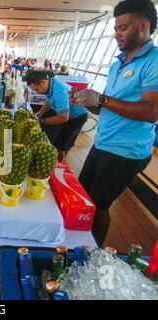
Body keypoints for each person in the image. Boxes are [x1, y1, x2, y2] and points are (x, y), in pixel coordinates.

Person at [70, 0, 158, 247]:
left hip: (125, 151)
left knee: (98, 205)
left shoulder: (154, 60)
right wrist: (86, 101)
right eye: (116, 28)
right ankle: (78, 247)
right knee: (85, 200)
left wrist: (101, 98)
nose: (116, 33)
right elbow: (106, 106)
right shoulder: (118, 63)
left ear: (144, 25)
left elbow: (152, 111)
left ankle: (93, 255)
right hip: (103, 144)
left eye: (123, 28)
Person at [27, 71, 88, 162]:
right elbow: (49, 100)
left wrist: (42, 121)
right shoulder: (50, 83)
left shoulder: (59, 92)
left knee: (63, 145)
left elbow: (63, 117)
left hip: (77, 117)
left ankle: (60, 163)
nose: (37, 92)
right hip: (67, 114)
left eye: (36, 89)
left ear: (43, 82)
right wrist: (40, 113)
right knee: (58, 141)